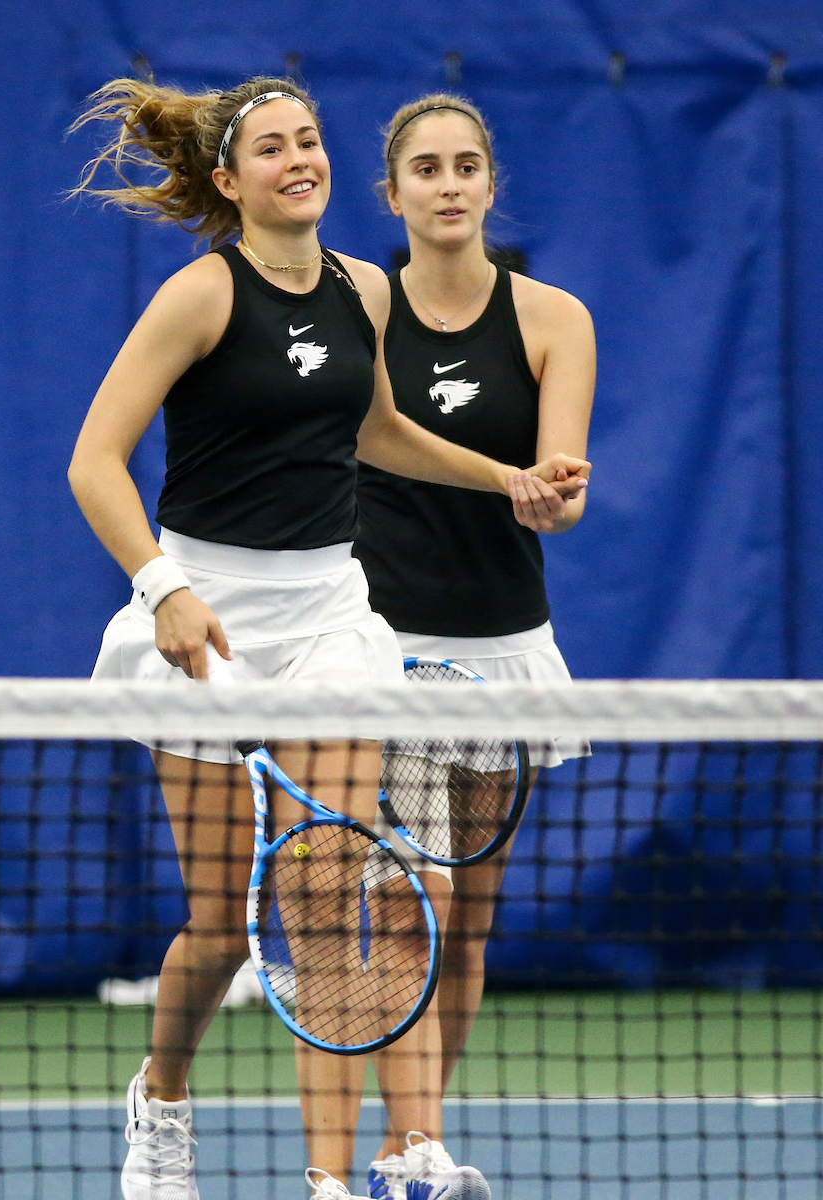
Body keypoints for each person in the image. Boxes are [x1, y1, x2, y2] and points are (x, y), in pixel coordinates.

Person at [66, 77, 589, 1200]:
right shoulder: (198, 298)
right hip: (203, 618)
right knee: (216, 925)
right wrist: (160, 588)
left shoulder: (365, 290)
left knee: (331, 881)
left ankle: (346, 1178)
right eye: (271, 149)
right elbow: (92, 462)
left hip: (335, 623)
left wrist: (508, 477)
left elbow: (382, 431)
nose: (298, 160)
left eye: (309, 141)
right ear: (228, 180)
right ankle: (161, 1098)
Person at [352, 94, 595, 1200]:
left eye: (466, 167)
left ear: (491, 185)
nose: (448, 186)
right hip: (386, 651)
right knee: (418, 904)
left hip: (505, 652)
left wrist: (550, 499)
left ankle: (423, 1137)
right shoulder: (357, 311)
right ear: (391, 193)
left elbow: (559, 481)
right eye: (425, 170)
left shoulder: (555, 319)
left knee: (475, 918)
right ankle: (410, 1152)